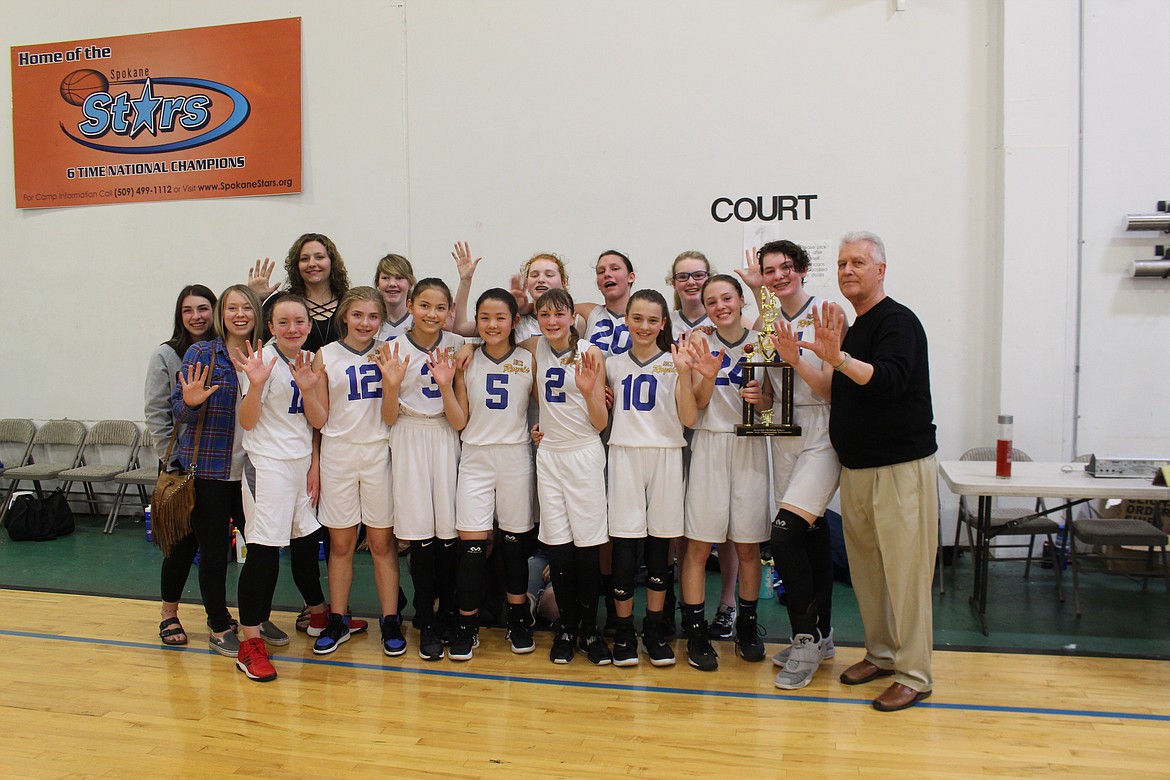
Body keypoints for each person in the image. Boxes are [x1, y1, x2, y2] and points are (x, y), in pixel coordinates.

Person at [798, 231, 938, 712]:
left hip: (899, 468)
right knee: (869, 573)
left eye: (858, 262)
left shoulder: (898, 322)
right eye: (841, 264)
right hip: (857, 469)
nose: (848, 270)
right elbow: (840, 391)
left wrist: (838, 357)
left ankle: (915, 673)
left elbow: (889, 381)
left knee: (907, 574)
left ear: (881, 270)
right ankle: (881, 654)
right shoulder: (854, 327)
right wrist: (805, 356)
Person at [743, 240, 842, 690]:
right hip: (785, 433)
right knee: (811, 534)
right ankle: (822, 635)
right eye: (770, 270)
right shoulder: (766, 320)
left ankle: (804, 637)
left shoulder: (828, 313)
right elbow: (770, 391)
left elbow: (830, 391)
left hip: (822, 431)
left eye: (786, 267)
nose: (779, 275)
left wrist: (795, 360)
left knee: (783, 535)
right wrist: (757, 397)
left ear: (802, 269)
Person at [230, 294, 328, 681]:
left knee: (306, 543)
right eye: (283, 323)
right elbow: (248, 421)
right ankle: (249, 644)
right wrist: (254, 386)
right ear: (270, 327)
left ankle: (320, 615)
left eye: (300, 322)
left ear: (309, 324)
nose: (293, 329)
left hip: (300, 463)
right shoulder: (260, 362)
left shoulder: (307, 360)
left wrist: (307, 389)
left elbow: (319, 419)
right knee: (264, 553)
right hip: (267, 466)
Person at [679, 275, 771, 671]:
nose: (720, 306)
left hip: (749, 445)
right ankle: (697, 633)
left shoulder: (759, 339)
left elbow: (770, 400)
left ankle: (747, 627)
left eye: (726, 298)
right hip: (711, 443)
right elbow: (696, 406)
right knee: (699, 547)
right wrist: (708, 376)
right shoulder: (699, 341)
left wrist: (761, 397)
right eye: (711, 301)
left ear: (739, 301)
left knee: (748, 546)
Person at [171, 285, 265, 658]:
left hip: (255, 472)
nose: (239, 314)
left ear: (257, 312)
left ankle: (254, 619)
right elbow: (179, 409)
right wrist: (191, 404)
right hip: (210, 470)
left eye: (246, 307)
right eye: (231, 307)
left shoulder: (267, 353)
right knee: (213, 553)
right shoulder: (202, 352)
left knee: (261, 550)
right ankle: (218, 622)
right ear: (221, 314)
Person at [604, 289, 697, 667]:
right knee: (624, 549)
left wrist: (687, 374)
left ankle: (655, 627)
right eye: (637, 318)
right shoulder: (610, 363)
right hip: (624, 452)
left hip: (666, 454)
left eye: (652, 320)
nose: (644, 326)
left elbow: (689, 419)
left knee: (661, 547)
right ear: (626, 319)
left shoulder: (676, 363)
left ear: (663, 324)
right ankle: (624, 630)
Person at [312, 287, 407, 658]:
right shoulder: (326, 356)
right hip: (338, 453)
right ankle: (338, 619)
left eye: (372, 316)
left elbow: (390, 417)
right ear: (344, 317)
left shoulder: (389, 354)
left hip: (377, 452)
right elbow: (318, 419)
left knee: (383, 544)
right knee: (340, 544)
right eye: (357, 315)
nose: (365, 323)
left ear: (381, 319)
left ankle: (390, 619)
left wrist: (393, 383)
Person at [376, 278, 466, 662]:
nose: (432, 314)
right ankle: (424, 617)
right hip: (409, 433)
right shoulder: (391, 349)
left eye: (441, 307)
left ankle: (446, 612)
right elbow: (387, 416)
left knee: (448, 535)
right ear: (410, 305)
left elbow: (461, 418)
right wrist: (392, 386)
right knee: (419, 536)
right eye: (425, 305)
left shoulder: (458, 348)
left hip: (446, 435)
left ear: (449, 312)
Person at [525, 288, 611, 665]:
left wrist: (592, 393)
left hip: (584, 451)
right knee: (558, 545)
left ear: (573, 317)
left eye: (559, 315)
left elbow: (600, 422)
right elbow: (479, 341)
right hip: (550, 454)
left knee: (587, 547)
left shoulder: (590, 353)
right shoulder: (533, 349)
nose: (552, 322)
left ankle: (590, 630)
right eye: (545, 315)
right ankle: (565, 628)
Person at [450, 288, 537, 659]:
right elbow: (460, 418)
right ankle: (466, 624)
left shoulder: (530, 358)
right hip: (475, 456)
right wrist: (450, 379)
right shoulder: (466, 359)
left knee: (515, 546)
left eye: (500, 317)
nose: (492, 324)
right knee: (471, 548)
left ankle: (518, 619)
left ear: (515, 321)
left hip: (516, 456)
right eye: (484, 317)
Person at [666, 251, 740, 642]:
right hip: (675, 433)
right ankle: (685, 605)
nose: (691, 282)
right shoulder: (668, 320)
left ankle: (727, 605)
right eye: (683, 277)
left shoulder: (729, 326)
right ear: (673, 283)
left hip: (715, 434)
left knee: (728, 531)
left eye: (699, 276)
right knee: (681, 526)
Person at [151, 284, 217, 647]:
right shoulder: (166, 355)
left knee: (214, 548)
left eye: (204, 308)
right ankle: (168, 613)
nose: (197, 316)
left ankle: (217, 615)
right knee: (181, 543)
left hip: (216, 469)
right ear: (180, 315)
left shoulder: (224, 351)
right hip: (182, 468)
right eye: (188, 310)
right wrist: (175, 461)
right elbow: (156, 413)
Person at [581, 250, 635, 356]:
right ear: (598, 283)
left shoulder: (646, 315)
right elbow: (551, 306)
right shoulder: (591, 312)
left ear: (631, 277)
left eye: (614, 269)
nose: (607, 274)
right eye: (601, 272)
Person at [374, 253, 416, 340]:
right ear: (378, 282)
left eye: (399, 278)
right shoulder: (370, 321)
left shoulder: (419, 321)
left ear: (410, 283)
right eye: (385, 278)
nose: (392, 284)